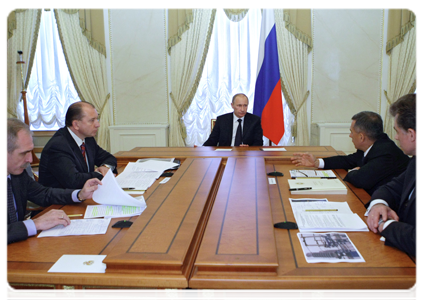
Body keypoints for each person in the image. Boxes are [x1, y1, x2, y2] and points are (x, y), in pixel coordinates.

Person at [5, 118, 101, 245]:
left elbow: (44, 194)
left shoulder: (18, 174)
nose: (30, 159)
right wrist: (34, 224)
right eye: (24, 153)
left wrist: (79, 194)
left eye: (31, 151)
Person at [291, 111, 409, 195]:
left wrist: (353, 171)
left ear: (361, 137)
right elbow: (348, 160)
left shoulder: (386, 153)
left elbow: (359, 179)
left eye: (351, 132)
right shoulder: (376, 143)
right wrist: (317, 162)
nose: (350, 136)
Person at [365, 93, 419, 258]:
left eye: (397, 131)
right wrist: (378, 205)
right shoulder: (416, 162)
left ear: (411, 134)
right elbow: (391, 188)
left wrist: (386, 224)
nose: (395, 137)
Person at [39, 102, 117, 189]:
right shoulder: (58, 145)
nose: (97, 125)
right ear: (76, 125)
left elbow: (110, 158)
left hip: (83, 194)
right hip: (61, 200)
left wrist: (105, 167)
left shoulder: (88, 139)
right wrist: (100, 174)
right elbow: (74, 180)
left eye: (97, 119)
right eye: (92, 120)